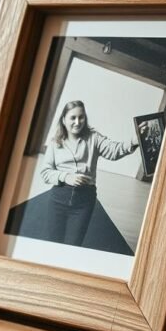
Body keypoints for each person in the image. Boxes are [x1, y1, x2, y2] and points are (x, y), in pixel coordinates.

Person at [39, 100, 140, 246]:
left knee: (73, 245)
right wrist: (66, 177)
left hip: (84, 202)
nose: (77, 122)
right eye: (73, 118)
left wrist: (134, 141)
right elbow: (45, 173)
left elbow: (114, 151)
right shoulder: (55, 143)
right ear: (63, 120)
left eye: (81, 117)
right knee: (53, 243)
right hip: (58, 199)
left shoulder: (94, 137)